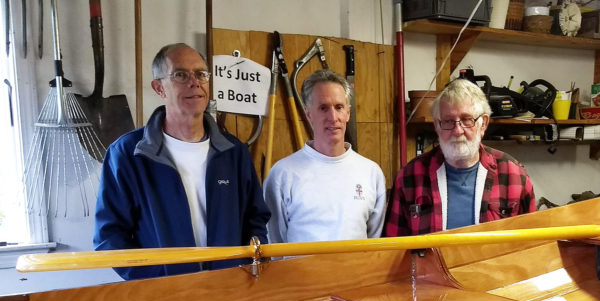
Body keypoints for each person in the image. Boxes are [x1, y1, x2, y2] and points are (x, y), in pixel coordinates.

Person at [94, 43, 269, 280]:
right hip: (163, 297)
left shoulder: (233, 152)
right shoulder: (127, 155)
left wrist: (246, 270)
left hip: (229, 289)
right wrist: (154, 281)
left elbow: (255, 219)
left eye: (200, 74)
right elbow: (110, 237)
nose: (194, 82)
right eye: (180, 74)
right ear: (159, 88)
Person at [384, 78, 535, 237]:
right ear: (437, 125)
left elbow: (534, 247)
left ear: (483, 124)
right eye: (448, 121)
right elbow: (393, 250)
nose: (457, 131)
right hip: (429, 263)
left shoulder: (514, 175)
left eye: (466, 120)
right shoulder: (409, 177)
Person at [263, 69, 386, 243]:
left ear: (348, 113)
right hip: (298, 271)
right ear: (308, 114)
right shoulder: (283, 174)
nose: (333, 117)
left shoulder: (371, 173)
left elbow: (373, 239)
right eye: (323, 108)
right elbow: (275, 243)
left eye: (339, 107)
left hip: (356, 270)